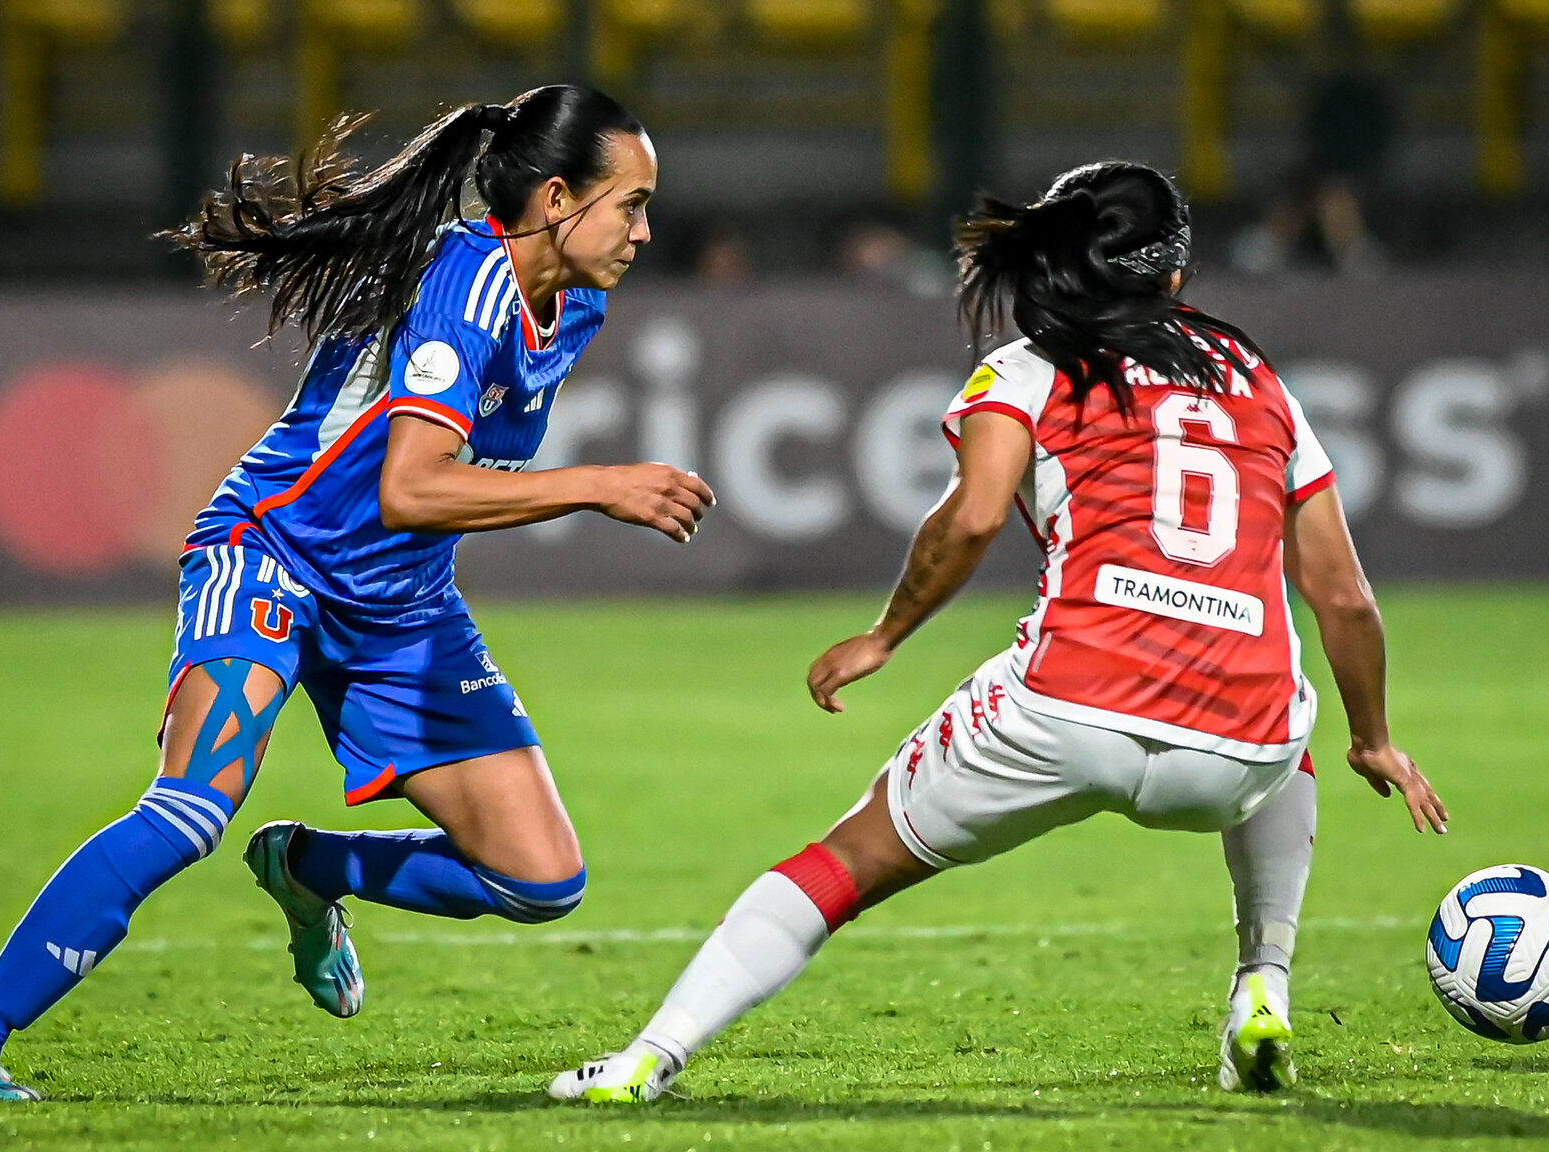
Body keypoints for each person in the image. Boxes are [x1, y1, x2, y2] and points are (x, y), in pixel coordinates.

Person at [549, 160, 1448, 1104]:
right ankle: (1263, 986)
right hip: (1234, 750)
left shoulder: (1029, 367)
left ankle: (649, 1058)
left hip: (1067, 706)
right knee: (1288, 725)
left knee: (843, 863)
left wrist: (886, 634)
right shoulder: (1258, 381)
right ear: (1177, 275)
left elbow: (971, 518)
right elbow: (1342, 596)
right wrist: (1375, 739)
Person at [0, 85, 715, 1102]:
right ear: (556, 196)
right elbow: (410, 485)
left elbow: (431, 489)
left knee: (539, 879)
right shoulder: (467, 287)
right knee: (193, 807)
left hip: (400, 600)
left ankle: (307, 869)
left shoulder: (573, 298)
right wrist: (596, 484)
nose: (645, 230)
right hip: (272, 557)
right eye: (630, 203)